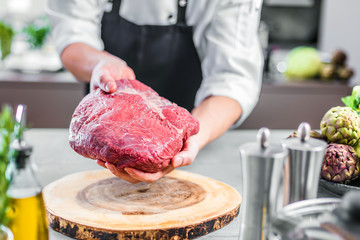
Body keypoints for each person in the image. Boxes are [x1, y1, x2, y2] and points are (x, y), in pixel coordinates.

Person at [47, 0, 263, 183]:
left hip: (198, 147)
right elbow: (71, 33)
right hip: (99, 154)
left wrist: (193, 140)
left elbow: (233, 78)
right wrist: (99, 63)